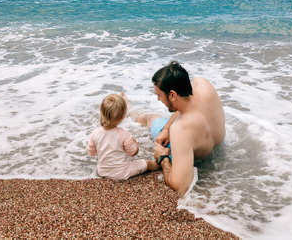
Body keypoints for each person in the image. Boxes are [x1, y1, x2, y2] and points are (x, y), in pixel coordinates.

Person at [130, 61, 225, 196]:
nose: (158, 99)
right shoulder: (203, 85)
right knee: (167, 122)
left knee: (150, 118)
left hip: (192, 153)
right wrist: (166, 129)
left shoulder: (181, 129)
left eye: (159, 95)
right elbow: (184, 105)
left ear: (173, 95)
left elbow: (181, 186)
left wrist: (162, 157)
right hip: (216, 144)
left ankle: (128, 111)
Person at [87, 93, 159, 181]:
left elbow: (91, 152)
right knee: (148, 164)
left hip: (102, 171)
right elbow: (133, 153)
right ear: (122, 117)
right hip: (122, 172)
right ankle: (162, 164)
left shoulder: (95, 133)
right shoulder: (124, 134)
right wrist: (135, 143)